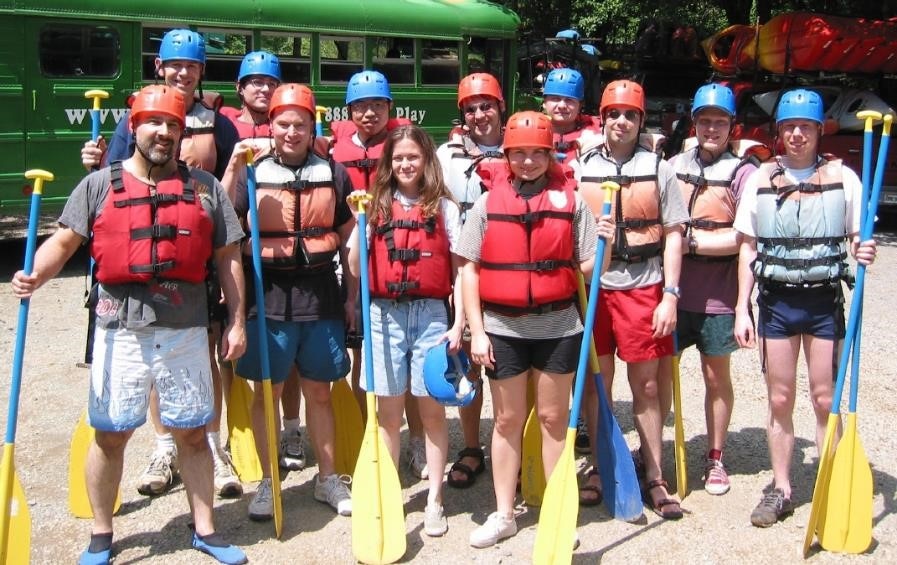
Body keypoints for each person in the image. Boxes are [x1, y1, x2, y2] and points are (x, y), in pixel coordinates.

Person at [13, 85, 247, 565]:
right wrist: (34, 274)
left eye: (173, 125)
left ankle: (204, 529)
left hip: (185, 327)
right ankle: (101, 535)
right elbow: (63, 242)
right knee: (111, 432)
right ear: (133, 127)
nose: (163, 133)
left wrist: (237, 321)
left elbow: (228, 260)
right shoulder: (99, 185)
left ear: (183, 133)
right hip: (119, 326)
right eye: (153, 123)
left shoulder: (204, 188)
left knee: (192, 431)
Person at [81, 28, 242, 499]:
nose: (183, 72)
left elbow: (232, 183)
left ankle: (209, 442)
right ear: (160, 67)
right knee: (152, 353)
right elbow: (110, 181)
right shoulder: (137, 115)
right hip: (142, 264)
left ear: (200, 72)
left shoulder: (219, 121)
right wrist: (91, 163)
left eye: (192, 66)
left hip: (197, 256)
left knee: (203, 352)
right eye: (176, 65)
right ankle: (164, 444)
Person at [457, 111, 611, 547]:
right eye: (519, 153)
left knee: (552, 418)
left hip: (559, 325)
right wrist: (478, 331)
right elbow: (469, 269)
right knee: (506, 420)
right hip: (503, 328)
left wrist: (606, 243)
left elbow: (586, 268)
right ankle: (504, 513)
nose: (527, 162)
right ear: (506, 156)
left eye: (536, 154)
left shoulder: (573, 202)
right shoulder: (488, 203)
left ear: (549, 155)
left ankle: (558, 513)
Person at [733, 88, 876, 527]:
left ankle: (830, 485)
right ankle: (781, 488)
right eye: (790, 127)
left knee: (823, 397)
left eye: (805, 127)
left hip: (823, 302)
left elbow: (857, 235)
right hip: (776, 303)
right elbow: (748, 249)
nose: (797, 134)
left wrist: (864, 248)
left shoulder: (843, 177)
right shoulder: (761, 179)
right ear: (779, 133)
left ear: (818, 131)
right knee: (779, 398)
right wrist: (742, 308)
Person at [222, 83, 355, 521]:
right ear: (271, 126)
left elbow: (348, 235)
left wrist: (352, 296)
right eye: (283, 124)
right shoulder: (251, 171)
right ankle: (268, 481)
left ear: (312, 126)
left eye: (300, 124)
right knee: (267, 392)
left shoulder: (334, 173)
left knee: (320, 390)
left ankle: (327, 478)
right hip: (269, 296)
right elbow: (225, 226)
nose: (291, 132)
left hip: (320, 295)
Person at [347, 124, 465, 537]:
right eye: (398, 158)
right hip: (383, 315)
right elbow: (355, 268)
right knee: (387, 414)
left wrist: (460, 323)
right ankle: (387, 495)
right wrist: (358, 227)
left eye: (413, 156)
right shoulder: (373, 206)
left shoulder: (444, 209)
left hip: (431, 313)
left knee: (431, 411)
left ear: (426, 160)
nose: (405, 163)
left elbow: (461, 271)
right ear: (388, 162)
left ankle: (434, 498)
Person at [578, 80, 688, 518]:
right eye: (613, 114)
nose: (620, 122)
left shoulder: (659, 169)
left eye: (629, 115)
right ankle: (601, 467)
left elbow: (676, 235)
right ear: (602, 119)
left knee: (645, 385)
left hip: (645, 286)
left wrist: (671, 296)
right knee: (598, 385)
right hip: (596, 291)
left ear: (640, 122)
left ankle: (655, 475)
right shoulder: (582, 167)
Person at [668, 83, 769, 496]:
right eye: (705, 121)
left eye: (720, 122)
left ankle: (715, 457)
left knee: (715, 377)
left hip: (718, 297)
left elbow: (747, 237)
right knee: (656, 376)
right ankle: (657, 452)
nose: (712, 128)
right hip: (674, 292)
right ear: (694, 124)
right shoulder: (674, 164)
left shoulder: (744, 172)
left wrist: (692, 242)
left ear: (732, 127)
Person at [324, 70, 424, 478]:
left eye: (377, 106)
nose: (369, 114)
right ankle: (371, 442)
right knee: (361, 358)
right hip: (352, 260)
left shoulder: (403, 147)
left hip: (399, 260)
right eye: (361, 107)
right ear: (350, 111)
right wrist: (350, 293)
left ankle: (416, 441)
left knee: (411, 361)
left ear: (390, 108)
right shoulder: (333, 152)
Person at [220, 50, 307, 474]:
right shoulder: (223, 128)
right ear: (240, 88)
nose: (262, 87)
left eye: (269, 81)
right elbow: (223, 204)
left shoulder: (303, 135)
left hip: (298, 268)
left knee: (289, 362)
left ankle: (291, 427)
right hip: (242, 255)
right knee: (234, 351)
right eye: (253, 81)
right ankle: (232, 438)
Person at [435, 72, 506, 489]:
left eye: (487, 106)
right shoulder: (446, 155)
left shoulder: (520, 147)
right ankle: (472, 445)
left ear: (500, 108)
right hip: (462, 266)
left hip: (504, 265)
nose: (480, 114)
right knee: (466, 359)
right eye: (472, 108)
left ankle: (507, 441)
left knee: (505, 360)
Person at [541, 67, 602, 176]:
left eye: (569, 100)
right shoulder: (532, 131)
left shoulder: (596, 131)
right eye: (555, 99)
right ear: (544, 102)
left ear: (580, 105)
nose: (562, 106)